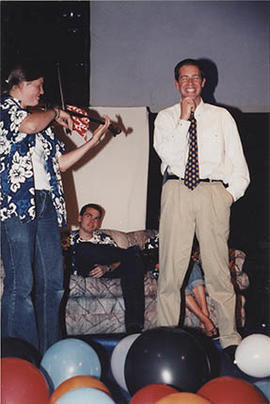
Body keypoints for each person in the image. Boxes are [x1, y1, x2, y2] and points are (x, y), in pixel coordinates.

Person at [0, 60, 111, 354]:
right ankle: (16, 355)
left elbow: (59, 164)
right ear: (21, 85)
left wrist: (94, 142)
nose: (42, 91)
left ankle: (49, 353)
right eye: (38, 85)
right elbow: (28, 125)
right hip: (16, 205)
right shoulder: (5, 108)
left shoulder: (42, 122)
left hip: (47, 202)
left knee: (53, 282)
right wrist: (58, 112)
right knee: (20, 284)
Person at [153, 58, 250, 356]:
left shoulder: (222, 117)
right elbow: (166, 153)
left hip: (212, 193)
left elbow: (238, 165)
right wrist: (183, 119)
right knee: (170, 271)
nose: (190, 83)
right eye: (184, 78)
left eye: (195, 77)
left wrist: (226, 196)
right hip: (176, 190)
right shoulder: (166, 118)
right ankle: (166, 338)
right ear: (176, 83)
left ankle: (231, 339)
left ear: (204, 82)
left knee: (219, 271)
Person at [62, 203, 145, 334]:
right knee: (84, 248)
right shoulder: (68, 239)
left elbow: (121, 261)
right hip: (82, 265)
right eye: (89, 216)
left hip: (105, 271)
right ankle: (137, 253)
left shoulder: (104, 239)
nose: (92, 221)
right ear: (80, 218)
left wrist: (107, 267)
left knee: (133, 266)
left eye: (96, 218)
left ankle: (134, 328)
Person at [142, 234, 218, 337]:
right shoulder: (152, 242)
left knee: (193, 265)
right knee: (177, 279)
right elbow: (152, 263)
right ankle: (205, 319)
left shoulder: (182, 236)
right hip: (167, 272)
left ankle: (205, 312)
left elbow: (192, 255)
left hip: (185, 267)